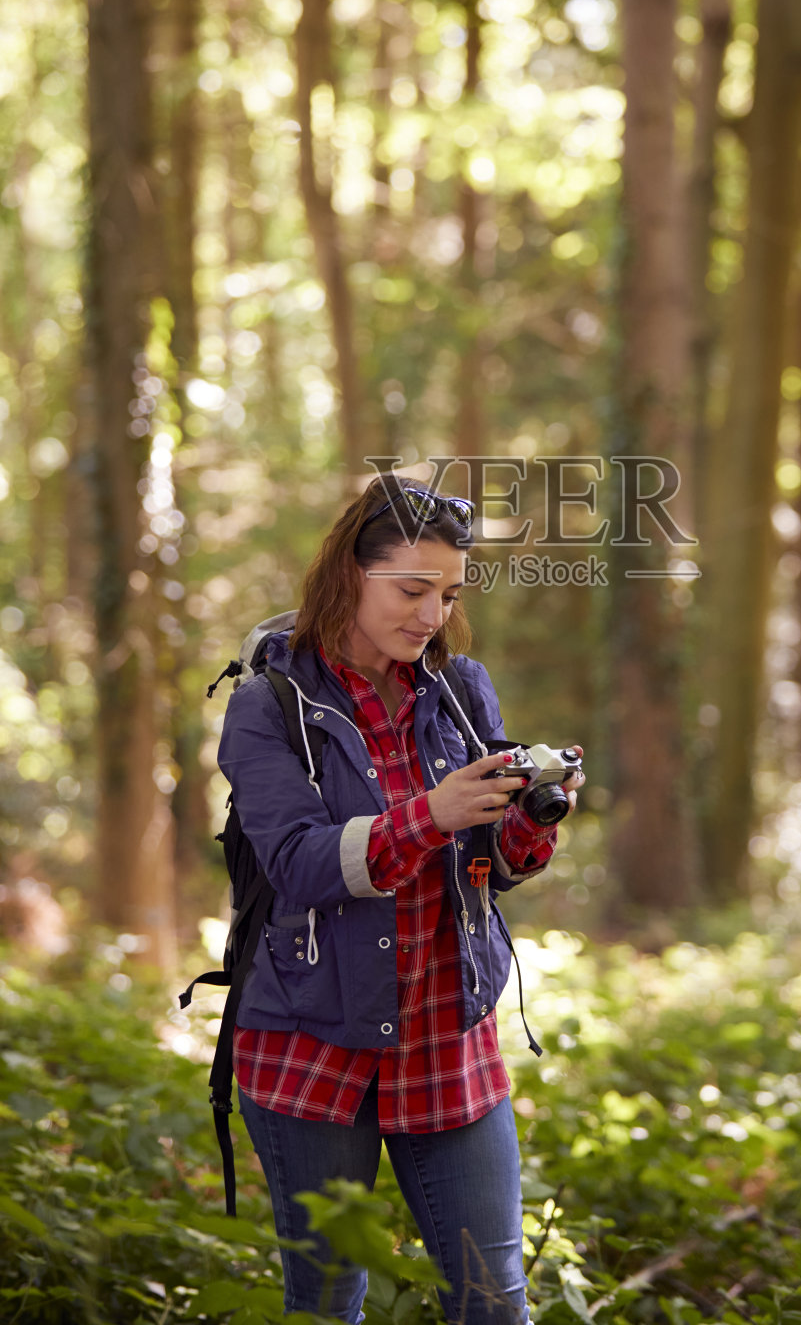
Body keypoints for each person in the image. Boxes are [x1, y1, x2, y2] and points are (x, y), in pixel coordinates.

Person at [217, 475, 583, 1324]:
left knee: (493, 1303)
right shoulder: (267, 706)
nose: (430, 616)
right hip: (311, 1046)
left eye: (447, 595)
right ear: (350, 572)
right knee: (326, 1304)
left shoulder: (460, 687)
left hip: (447, 1036)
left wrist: (529, 816)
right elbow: (299, 864)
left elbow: (489, 866)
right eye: (412, 589)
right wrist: (431, 813)